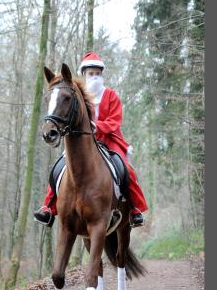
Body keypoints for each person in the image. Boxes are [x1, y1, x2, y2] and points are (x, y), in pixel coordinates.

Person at [34, 51, 148, 227]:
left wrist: (98, 126)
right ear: (84, 74)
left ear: (101, 75)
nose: (94, 76)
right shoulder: (77, 96)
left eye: (97, 73)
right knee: (61, 167)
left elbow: (115, 120)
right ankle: (48, 207)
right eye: (90, 73)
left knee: (126, 168)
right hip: (84, 143)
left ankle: (134, 209)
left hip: (109, 139)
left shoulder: (110, 95)